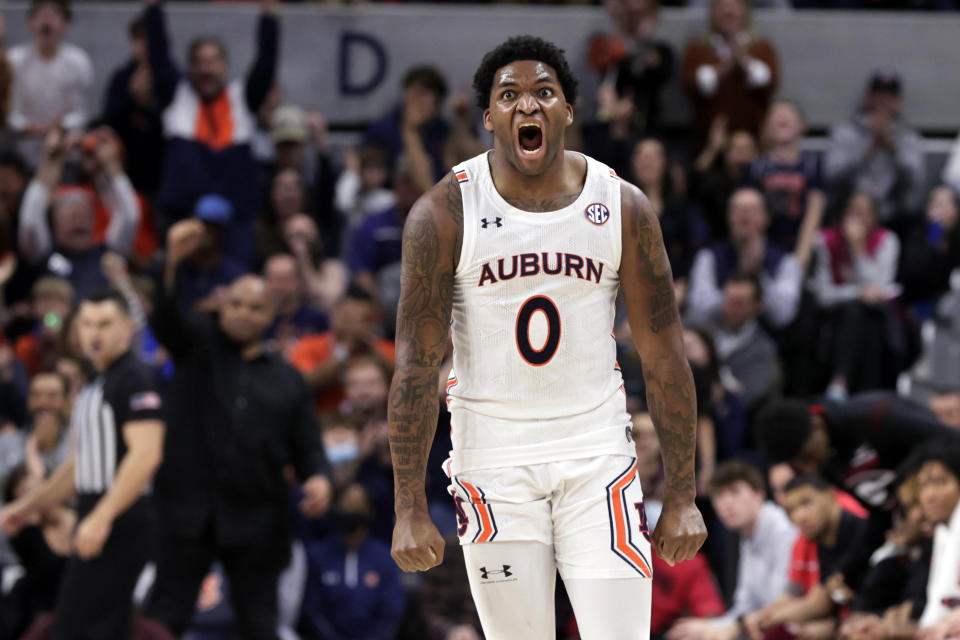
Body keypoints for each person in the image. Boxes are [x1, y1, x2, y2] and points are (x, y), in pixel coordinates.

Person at [387, 36, 707, 640]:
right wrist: (407, 506)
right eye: (508, 95)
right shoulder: (446, 211)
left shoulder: (623, 206)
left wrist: (683, 495)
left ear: (568, 111)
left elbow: (665, 357)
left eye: (544, 93)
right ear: (488, 119)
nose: (527, 106)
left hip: (597, 455)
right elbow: (414, 365)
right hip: (492, 461)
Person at [145, 218, 333, 640]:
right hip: (184, 513)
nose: (244, 314)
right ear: (220, 307)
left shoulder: (288, 379)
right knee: (165, 616)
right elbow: (164, 318)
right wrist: (171, 262)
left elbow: (308, 446)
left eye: (255, 307)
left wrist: (319, 478)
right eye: (236, 305)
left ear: (272, 315)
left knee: (259, 621)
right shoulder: (195, 347)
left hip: (257, 520)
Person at [1, 289, 166, 640]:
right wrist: (27, 506)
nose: (95, 333)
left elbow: (146, 454)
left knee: (76, 629)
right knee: (96, 628)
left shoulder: (135, 377)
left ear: (126, 328)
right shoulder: (93, 384)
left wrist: (103, 517)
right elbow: (81, 466)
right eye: (87, 324)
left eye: (105, 324)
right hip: (96, 512)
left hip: (122, 518)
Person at [756, 393, 960, 589]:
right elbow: (878, 514)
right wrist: (848, 574)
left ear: (817, 425)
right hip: (917, 537)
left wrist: (921, 508)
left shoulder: (877, 415)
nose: (809, 469)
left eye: (808, 457)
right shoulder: (825, 461)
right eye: (798, 467)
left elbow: (951, 442)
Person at [144, 0, 279, 267]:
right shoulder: (176, 96)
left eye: (213, 61)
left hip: (235, 218)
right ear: (190, 68)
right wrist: (153, 10)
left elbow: (265, 65)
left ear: (225, 65)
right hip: (185, 214)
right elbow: (158, 55)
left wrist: (269, 17)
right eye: (200, 63)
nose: (207, 70)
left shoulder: (242, 99)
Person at [667, 461, 797, 640]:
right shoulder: (748, 535)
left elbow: (781, 604)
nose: (726, 503)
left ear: (758, 495)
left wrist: (729, 628)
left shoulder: (782, 530)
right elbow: (745, 605)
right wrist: (708, 626)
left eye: (735, 491)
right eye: (719, 495)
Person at [744, 474, 868, 639]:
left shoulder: (862, 533)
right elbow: (820, 598)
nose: (799, 516)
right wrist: (768, 616)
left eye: (806, 503)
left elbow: (822, 604)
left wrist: (834, 627)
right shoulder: (823, 539)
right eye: (791, 510)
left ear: (831, 495)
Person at [810, 191, 903, 397]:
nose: (857, 219)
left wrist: (858, 248)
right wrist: (857, 292)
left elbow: (878, 289)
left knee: (866, 320)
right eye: (852, 212)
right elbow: (824, 295)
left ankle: (843, 383)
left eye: (864, 213)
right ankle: (850, 386)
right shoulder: (826, 240)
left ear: (874, 217)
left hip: (875, 316)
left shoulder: (887, 240)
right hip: (834, 314)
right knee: (853, 311)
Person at [299, 483, 405, 640]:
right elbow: (312, 610)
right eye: (346, 507)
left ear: (370, 512)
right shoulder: (317, 555)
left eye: (356, 508)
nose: (350, 513)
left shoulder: (385, 556)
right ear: (335, 509)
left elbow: (392, 611)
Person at [686, 187, 802, 330]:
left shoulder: (786, 261)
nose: (745, 216)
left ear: (766, 218)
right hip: (717, 340)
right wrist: (738, 297)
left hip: (768, 344)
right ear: (728, 217)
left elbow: (784, 315)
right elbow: (698, 310)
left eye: (752, 210)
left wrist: (759, 272)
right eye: (738, 209)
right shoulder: (708, 256)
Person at [824, 70, 925, 225]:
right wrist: (869, 150)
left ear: (898, 101)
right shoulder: (845, 132)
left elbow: (916, 182)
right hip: (848, 211)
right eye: (879, 94)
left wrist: (893, 149)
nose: (883, 100)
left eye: (889, 96)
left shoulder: (907, 136)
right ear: (868, 96)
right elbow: (832, 176)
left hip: (893, 214)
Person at [680, 0, 779, 153]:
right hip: (707, 141)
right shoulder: (697, 49)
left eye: (734, 7)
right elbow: (692, 84)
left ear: (746, 13)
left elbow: (769, 83)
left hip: (754, 142)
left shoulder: (762, 48)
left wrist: (743, 60)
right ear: (713, 14)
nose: (729, 13)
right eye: (722, 8)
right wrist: (724, 66)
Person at [7, 0, 93, 165]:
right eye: (40, 14)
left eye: (54, 15)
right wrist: (25, 125)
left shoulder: (78, 62)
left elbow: (81, 112)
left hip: (63, 149)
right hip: (21, 150)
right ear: (30, 23)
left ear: (66, 25)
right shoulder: (15, 60)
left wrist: (63, 124)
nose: (47, 21)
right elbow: (8, 109)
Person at [748, 100, 826, 266]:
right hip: (766, 248)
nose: (782, 116)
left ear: (802, 126)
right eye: (775, 114)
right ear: (766, 127)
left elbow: (815, 208)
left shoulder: (813, 165)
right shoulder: (756, 167)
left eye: (789, 113)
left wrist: (801, 259)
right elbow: (750, 212)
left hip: (803, 245)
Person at [103, 15, 165, 197]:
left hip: (159, 174)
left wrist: (148, 105)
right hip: (125, 169)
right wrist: (132, 97)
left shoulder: (169, 79)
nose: (144, 46)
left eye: (149, 40)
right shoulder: (121, 78)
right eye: (138, 39)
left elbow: (173, 126)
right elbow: (109, 123)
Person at [711, 272, 780, 408]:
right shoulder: (700, 327)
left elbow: (749, 394)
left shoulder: (763, 350)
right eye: (729, 300)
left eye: (740, 303)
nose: (732, 308)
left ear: (757, 306)